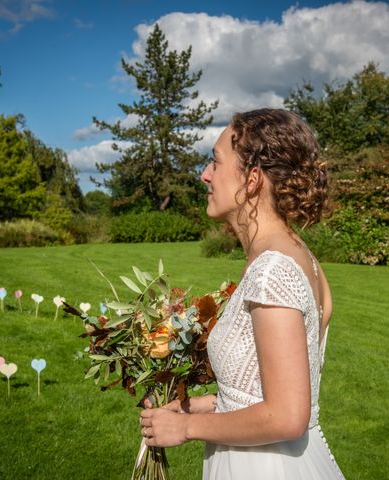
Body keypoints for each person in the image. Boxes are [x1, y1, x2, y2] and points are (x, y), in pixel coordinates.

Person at [139, 108, 345, 479]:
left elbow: (286, 415)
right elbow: (259, 390)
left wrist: (184, 430)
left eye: (215, 162)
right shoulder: (298, 257)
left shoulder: (272, 269)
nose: (205, 175)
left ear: (252, 179)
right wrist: (195, 407)